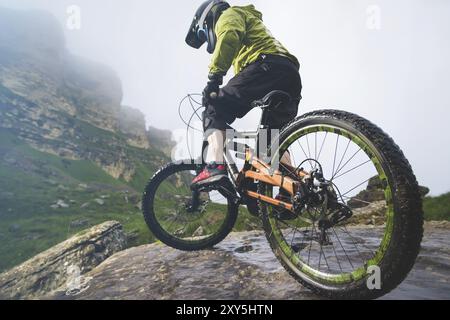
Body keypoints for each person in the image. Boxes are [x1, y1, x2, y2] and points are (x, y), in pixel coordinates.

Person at [186, 0, 302, 188]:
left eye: (204, 35)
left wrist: (214, 80)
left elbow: (229, 36)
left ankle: (215, 165)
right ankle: (293, 188)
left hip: (266, 66)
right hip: (289, 74)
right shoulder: (252, 25)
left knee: (214, 107)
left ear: (207, 19)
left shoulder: (228, 15)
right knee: (271, 144)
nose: (209, 40)